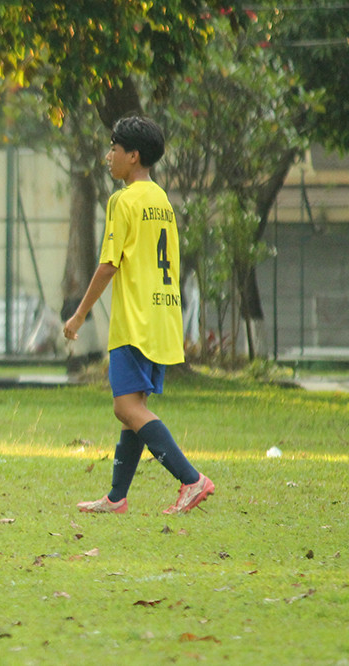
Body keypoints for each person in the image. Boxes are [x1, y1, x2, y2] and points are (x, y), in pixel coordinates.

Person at [63, 116, 214, 515]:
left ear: (133, 156)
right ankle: (116, 498)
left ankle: (191, 479)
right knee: (134, 407)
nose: (108, 156)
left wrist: (79, 316)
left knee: (125, 407)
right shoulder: (162, 200)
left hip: (135, 319)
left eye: (114, 148)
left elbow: (108, 264)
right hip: (163, 317)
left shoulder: (122, 200)